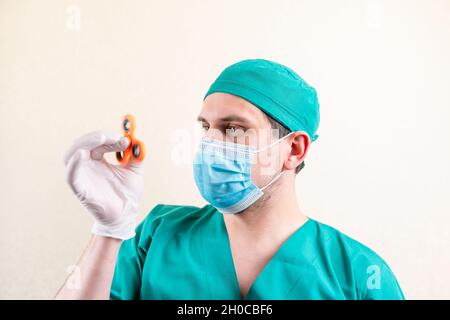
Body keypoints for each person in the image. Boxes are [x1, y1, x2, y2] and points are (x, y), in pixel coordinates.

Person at [55, 59, 404, 300]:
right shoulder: (156, 236)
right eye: (205, 127)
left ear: (294, 150)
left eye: (233, 129)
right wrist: (109, 231)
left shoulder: (358, 275)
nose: (210, 143)